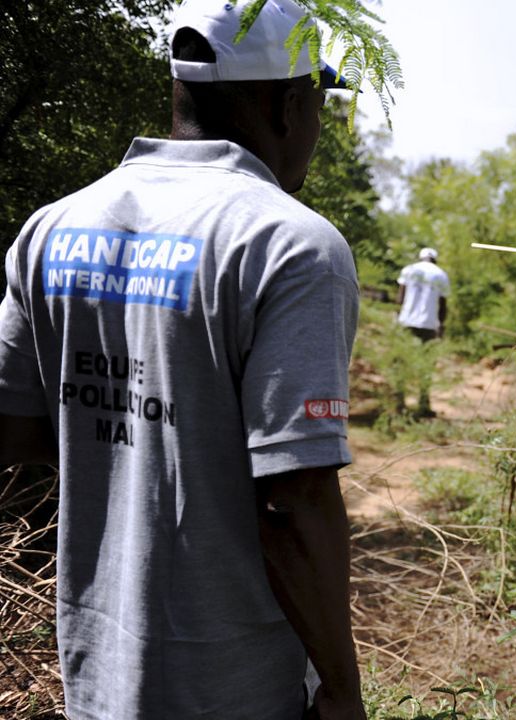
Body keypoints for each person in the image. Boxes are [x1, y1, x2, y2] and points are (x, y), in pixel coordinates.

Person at [0, 1, 366, 717]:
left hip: (96, 673)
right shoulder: (290, 244)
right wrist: (344, 692)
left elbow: (13, 430)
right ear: (290, 104)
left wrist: (134, 440)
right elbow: (292, 501)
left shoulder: (53, 226)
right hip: (232, 684)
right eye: (318, 103)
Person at [396, 246, 450, 418]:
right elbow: (443, 306)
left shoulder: (409, 270)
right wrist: (441, 326)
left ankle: (399, 403)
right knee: (427, 364)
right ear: (435, 259)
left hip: (406, 322)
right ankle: (423, 404)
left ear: (420, 257)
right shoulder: (440, 275)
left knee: (401, 362)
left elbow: (400, 299)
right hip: (428, 324)